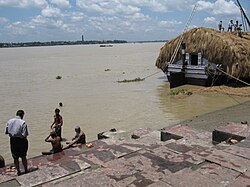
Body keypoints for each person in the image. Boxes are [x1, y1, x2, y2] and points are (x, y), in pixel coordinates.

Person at [5, 110, 28, 175]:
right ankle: (26, 170)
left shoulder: (9, 121)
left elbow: (6, 132)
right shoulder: (23, 122)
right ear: (22, 115)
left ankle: (18, 171)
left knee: (15, 157)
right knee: (23, 156)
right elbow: (24, 135)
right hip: (21, 141)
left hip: (13, 140)